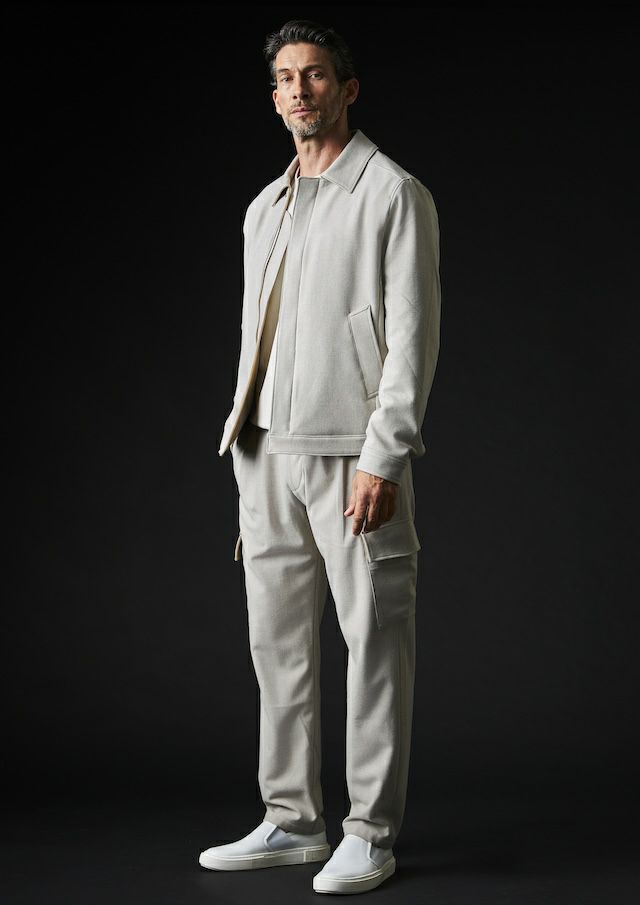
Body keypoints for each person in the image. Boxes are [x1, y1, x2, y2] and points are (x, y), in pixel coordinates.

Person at [199, 18, 441, 895]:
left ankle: (369, 830)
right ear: (274, 97)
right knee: (280, 646)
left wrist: (385, 454)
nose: (299, 91)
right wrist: (243, 438)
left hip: (351, 452)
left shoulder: (392, 193)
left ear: (347, 88)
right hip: (264, 451)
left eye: (315, 76)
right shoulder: (264, 206)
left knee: (372, 641)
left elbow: (410, 341)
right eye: (285, 79)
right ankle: (293, 819)